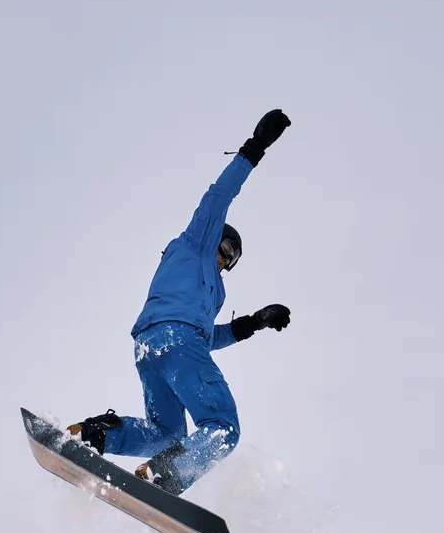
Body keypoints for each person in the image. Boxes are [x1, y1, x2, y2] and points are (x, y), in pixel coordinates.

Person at [68, 109, 293, 496]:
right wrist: (255, 148)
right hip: (175, 337)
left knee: (167, 436)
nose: (225, 259)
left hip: (150, 346)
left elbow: (205, 340)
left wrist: (255, 322)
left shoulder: (213, 291)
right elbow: (220, 195)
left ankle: (90, 435)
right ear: (215, 238)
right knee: (223, 426)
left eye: (231, 259)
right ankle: (164, 477)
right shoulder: (196, 243)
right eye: (225, 247)